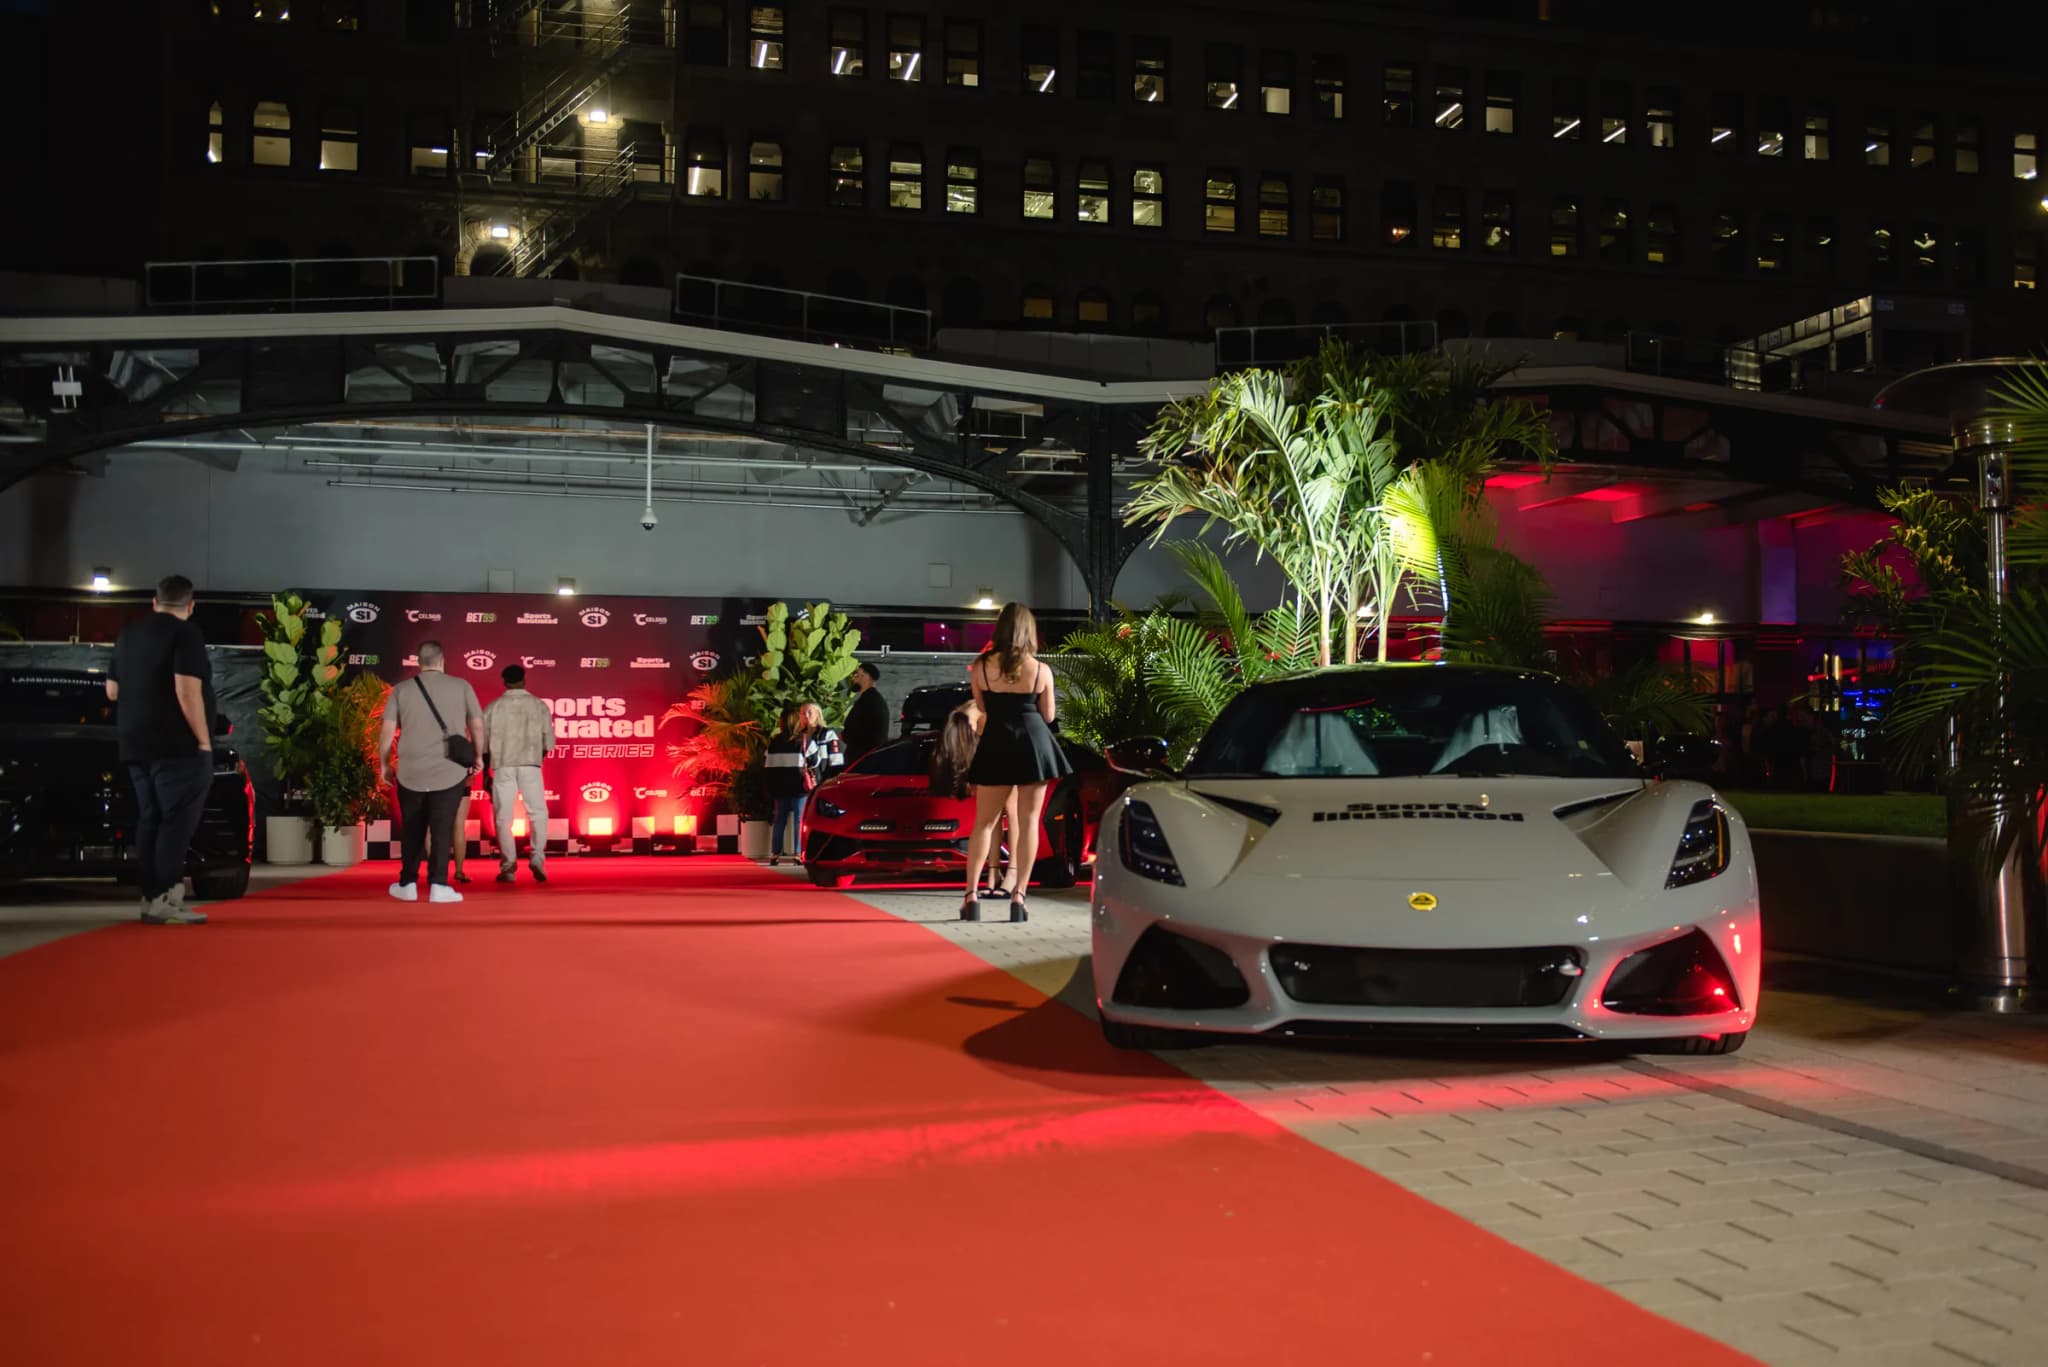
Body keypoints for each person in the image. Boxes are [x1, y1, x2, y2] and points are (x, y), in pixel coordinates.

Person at [105, 574, 215, 926]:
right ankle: (166, 898)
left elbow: (111, 691)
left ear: (155, 602)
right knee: (176, 822)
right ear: (190, 605)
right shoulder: (186, 634)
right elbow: (187, 691)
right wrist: (203, 741)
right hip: (177, 747)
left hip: (135, 744)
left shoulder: (128, 635)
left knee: (149, 818)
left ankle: (151, 897)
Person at [960, 602, 1070, 923]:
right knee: (1030, 820)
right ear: (1028, 631)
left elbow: (982, 706)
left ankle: (971, 896)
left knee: (984, 822)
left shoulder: (981, 667)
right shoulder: (1040, 670)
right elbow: (1048, 716)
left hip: (996, 743)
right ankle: (1019, 897)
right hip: (1033, 746)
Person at [377, 641, 485, 903]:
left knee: (412, 828)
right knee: (442, 828)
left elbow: (387, 730)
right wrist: (479, 755)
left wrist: (384, 763)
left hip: (411, 771)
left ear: (419, 662)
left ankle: (408, 883)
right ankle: (439, 885)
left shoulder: (401, 690)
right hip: (448, 770)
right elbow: (477, 725)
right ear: (442, 661)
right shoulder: (462, 687)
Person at [483, 662, 555, 884]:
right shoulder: (538, 705)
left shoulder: (493, 707)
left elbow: (484, 746)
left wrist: (486, 774)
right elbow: (547, 743)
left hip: (502, 764)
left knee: (503, 817)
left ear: (504, 683)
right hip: (530, 764)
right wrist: (536, 761)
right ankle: (537, 858)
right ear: (524, 680)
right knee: (537, 813)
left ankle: (508, 867)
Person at [764, 705, 818, 865]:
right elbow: (815, 761)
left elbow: (766, 762)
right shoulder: (804, 740)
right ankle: (797, 853)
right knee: (799, 820)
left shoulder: (774, 742)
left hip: (779, 786)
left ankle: (775, 854)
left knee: (780, 819)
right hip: (798, 787)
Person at [843, 662, 890, 763]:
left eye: (857, 675)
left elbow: (859, 729)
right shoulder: (874, 699)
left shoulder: (869, 701)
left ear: (866, 676)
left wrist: (846, 735)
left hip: (862, 759)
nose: (853, 679)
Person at [802, 701, 845, 782]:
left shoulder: (827, 734)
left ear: (817, 714)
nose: (806, 716)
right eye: (803, 713)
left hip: (823, 782)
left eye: (809, 712)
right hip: (805, 784)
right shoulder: (801, 736)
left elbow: (836, 761)